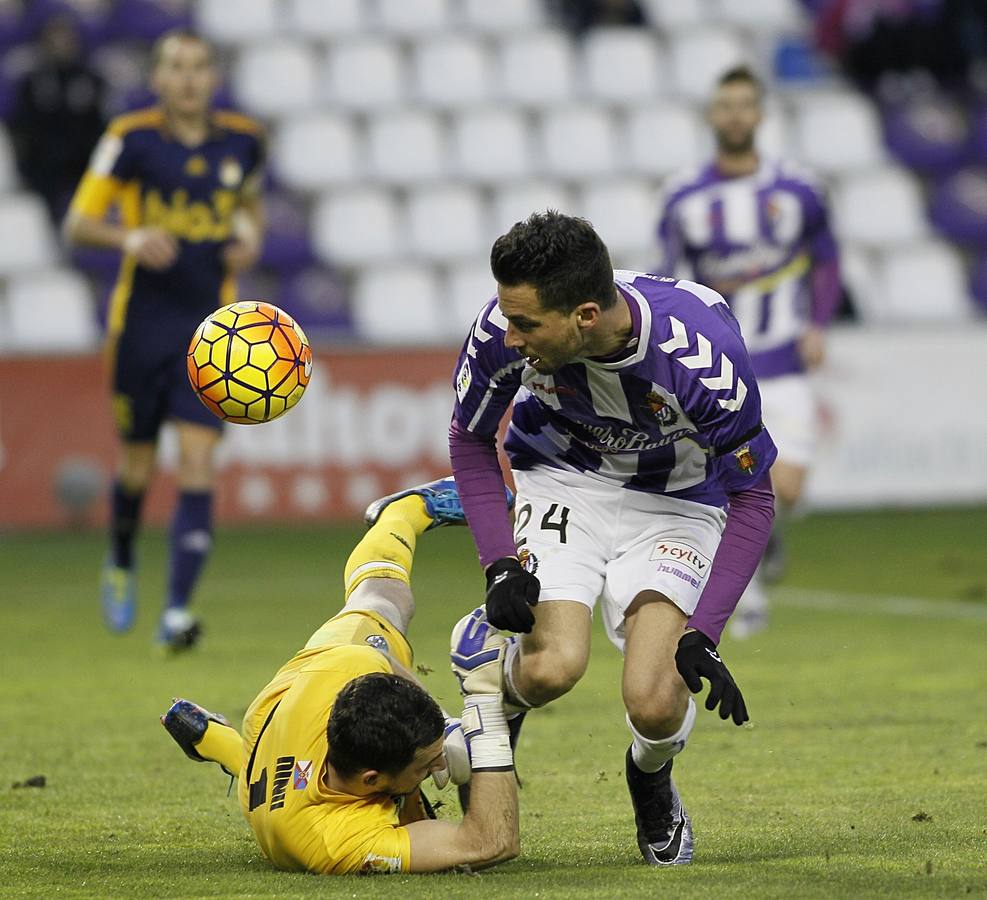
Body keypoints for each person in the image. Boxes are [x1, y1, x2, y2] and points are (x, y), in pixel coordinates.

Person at [449, 210, 777, 866]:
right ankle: (496, 708)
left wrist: (703, 634)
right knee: (552, 668)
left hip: (677, 503)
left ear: (585, 316)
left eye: (526, 325)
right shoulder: (499, 328)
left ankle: (649, 777)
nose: (508, 337)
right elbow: (469, 438)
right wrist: (499, 567)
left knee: (655, 702)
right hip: (564, 480)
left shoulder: (700, 359)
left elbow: (753, 496)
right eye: (507, 318)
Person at [161, 478, 520, 875]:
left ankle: (402, 512)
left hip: (292, 693)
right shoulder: (338, 842)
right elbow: (491, 842)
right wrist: (482, 702)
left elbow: (374, 656)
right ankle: (212, 739)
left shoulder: (342, 673)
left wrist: (447, 727)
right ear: (371, 780)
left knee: (385, 599)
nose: (437, 765)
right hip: (277, 763)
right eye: (425, 765)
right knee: (249, 765)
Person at [62, 30, 266, 649]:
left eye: (199, 66)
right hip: (141, 327)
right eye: (175, 67)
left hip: (214, 333)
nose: (188, 78)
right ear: (157, 77)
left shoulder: (243, 142)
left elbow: (247, 205)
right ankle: (121, 555)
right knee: (137, 464)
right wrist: (127, 237)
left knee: (198, 462)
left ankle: (176, 611)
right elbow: (78, 222)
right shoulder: (130, 140)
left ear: (213, 76)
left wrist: (251, 234)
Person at [657, 65, 842, 636]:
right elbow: (670, 280)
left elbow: (827, 258)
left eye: (744, 105)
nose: (735, 115)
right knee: (734, 478)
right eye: (725, 106)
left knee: (788, 485)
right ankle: (751, 589)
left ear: (760, 114)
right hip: (721, 365)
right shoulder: (685, 196)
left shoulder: (798, 190)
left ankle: (768, 537)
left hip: (784, 355)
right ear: (712, 117)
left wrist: (818, 323)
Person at [9, 12, 106, 222]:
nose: (60, 45)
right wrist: (25, 169)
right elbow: (21, 128)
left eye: (66, 39)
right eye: (54, 40)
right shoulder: (32, 83)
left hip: (84, 164)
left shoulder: (91, 79)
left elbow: (102, 126)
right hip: (45, 169)